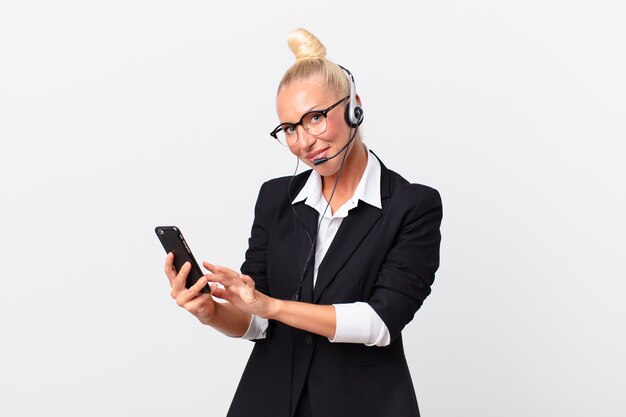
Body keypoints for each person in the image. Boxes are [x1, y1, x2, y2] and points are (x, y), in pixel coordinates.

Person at [163, 28, 442, 417]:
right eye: (290, 128)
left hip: (363, 404)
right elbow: (257, 320)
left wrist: (271, 306)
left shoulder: (413, 205)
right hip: (268, 400)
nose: (304, 142)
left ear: (353, 107)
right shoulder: (275, 198)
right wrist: (212, 313)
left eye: (314, 118)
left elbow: (380, 322)